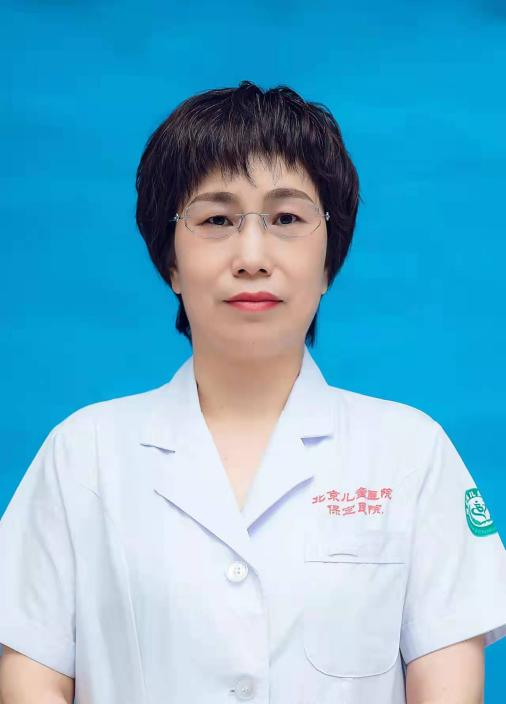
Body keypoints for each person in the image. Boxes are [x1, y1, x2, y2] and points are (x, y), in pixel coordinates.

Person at [0, 80, 505, 704]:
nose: (252, 256)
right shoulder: (84, 454)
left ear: (329, 256)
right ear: (170, 260)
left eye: (287, 218)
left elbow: (446, 686)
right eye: (216, 219)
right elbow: (33, 676)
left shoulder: (410, 452)